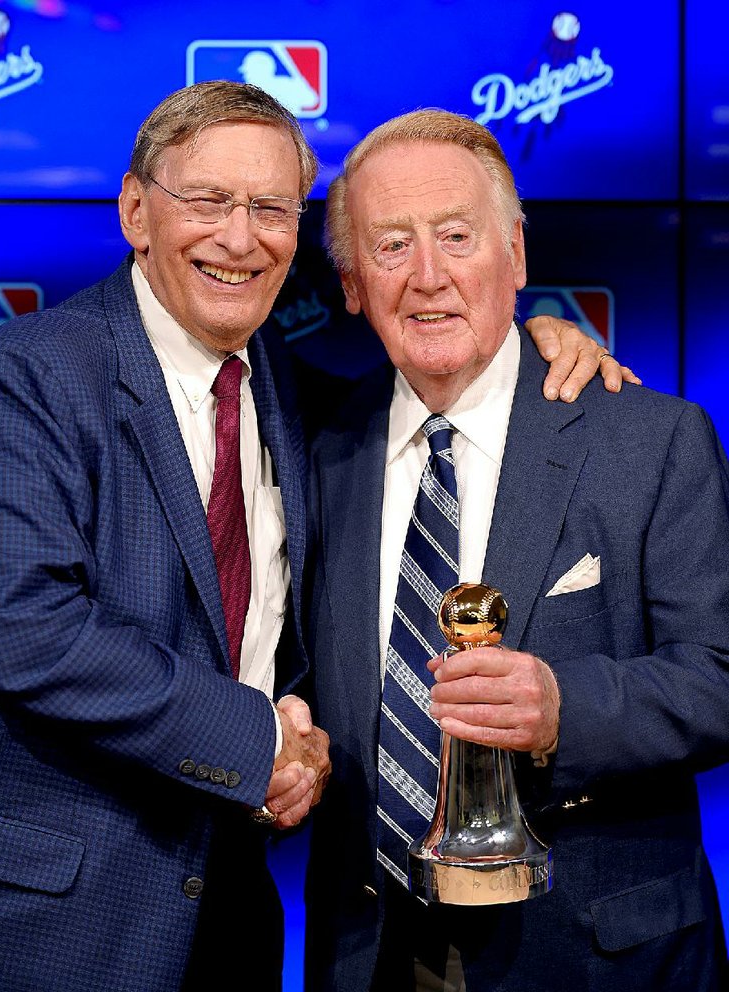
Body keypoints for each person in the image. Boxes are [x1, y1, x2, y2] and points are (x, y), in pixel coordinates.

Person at [0, 81, 632, 991]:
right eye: (208, 201)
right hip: (50, 926)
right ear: (136, 211)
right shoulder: (37, 373)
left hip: (229, 918)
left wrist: (533, 337)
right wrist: (256, 743)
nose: (239, 236)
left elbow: (445, 372)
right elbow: (22, 627)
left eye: (269, 208)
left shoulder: (292, 394)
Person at [305, 109, 729, 992]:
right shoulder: (317, 450)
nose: (430, 276)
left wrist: (563, 708)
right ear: (350, 283)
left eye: (458, 237)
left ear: (518, 258)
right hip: (373, 952)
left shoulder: (650, 440)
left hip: (597, 956)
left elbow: (720, 673)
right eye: (390, 246)